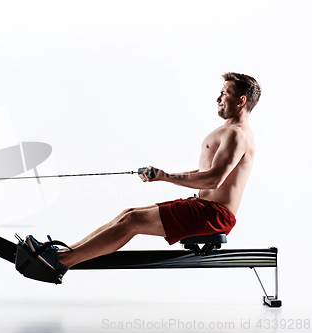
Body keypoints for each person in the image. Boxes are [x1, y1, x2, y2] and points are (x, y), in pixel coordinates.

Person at [27, 72, 262, 279]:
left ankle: (61, 261)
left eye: (224, 93)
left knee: (132, 222)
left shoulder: (237, 134)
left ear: (241, 101)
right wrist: (162, 175)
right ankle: (61, 255)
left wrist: (165, 176)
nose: (218, 98)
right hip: (205, 208)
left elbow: (213, 180)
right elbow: (205, 173)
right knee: (129, 214)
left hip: (213, 214)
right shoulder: (234, 132)